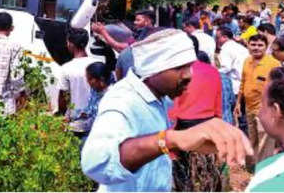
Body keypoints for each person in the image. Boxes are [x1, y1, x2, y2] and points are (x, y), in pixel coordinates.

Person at [81, 29, 252, 191]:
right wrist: (170, 139)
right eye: (179, 67)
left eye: (190, 66)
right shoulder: (122, 101)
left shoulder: (160, 98)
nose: (189, 75)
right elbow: (97, 163)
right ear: (153, 68)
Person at [169, 35, 223, 191]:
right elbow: (218, 102)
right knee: (207, 173)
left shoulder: (176, 72)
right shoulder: (212, 71)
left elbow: (173, 105)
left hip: (183, 126)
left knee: (183, 174)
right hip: (209, 124)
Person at [236, 34, 280, 169]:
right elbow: (243, 83)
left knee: (265, 141)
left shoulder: (274, 64)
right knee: (253, 138)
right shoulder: (246, 61)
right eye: (253, 45)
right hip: (249, 108)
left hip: (266, 109)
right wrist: (238, 103)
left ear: (266, 47)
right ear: (248, 46)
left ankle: (264, 168)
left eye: (260, 45)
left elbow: (279, 87)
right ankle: (254, 166)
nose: (256, 48)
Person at [58, 28, 99, 138]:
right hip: (96, 122)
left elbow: (63, 98)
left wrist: (61, 116)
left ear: (71, 44)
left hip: (75, 124)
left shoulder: (66, 69)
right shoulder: (97, 64)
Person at [216, 26, 249, 97]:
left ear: (225, 37)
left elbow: (225, 68)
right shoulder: (241, 47)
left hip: (234, 87)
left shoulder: (226, 48)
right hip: (244, 85)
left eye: (218, 38)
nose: (217, 40)